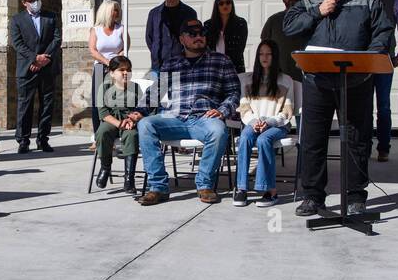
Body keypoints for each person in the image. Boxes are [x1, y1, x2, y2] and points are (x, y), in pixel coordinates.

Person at [282, 0, 393, 218]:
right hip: (317, 81)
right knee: (312, 141)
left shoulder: (368, 1)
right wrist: (318, 12)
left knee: (357, 140)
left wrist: (366, 58)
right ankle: (312, 197)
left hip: (355, 82)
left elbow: (384, 34)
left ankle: (355, 197)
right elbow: (289, 27)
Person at [135, 18, 240, 206]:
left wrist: (222, 110)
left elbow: (233, 93)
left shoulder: (221, 60)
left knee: (218, 131)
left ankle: (205, 184)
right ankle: (158, 187)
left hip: (204, 118)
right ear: (182, 39)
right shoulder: (171, 63)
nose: (198, 37)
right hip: (174, 118)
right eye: (192, 34)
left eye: (201, 33)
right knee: (145, 124)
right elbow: (155, 92)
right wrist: (139, 112)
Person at [232, 41, 296, 208]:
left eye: (268, 54)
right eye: (261, 54)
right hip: (253, 123)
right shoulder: (247, 80)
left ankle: (269, 191)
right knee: (245, 137)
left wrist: (268, 122)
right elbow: (244, 108)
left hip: (276, 125)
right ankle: (241, 188)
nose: (264, 57)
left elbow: (287, 112)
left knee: (263, 140)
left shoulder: (286, 80)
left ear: (275, 57)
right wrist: (254, 122)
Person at [361, 0, 398, 163]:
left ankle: (384, 148)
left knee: (383, 106)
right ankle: (364, 147)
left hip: (383, 58)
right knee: (363, 106)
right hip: (362, 60)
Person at [10, 0, 61, 153]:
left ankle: (43, 139)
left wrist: (45, 58)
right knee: (25, 105)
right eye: (32, 0)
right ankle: (23, 140)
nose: (36, 2)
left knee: (47, 105)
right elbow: (18, 44)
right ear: (24, 2)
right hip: (27, 69)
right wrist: (34, 58)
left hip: (47, 67)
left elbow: (56, 39)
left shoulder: (51, 17)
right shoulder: (17, 20)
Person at [93, 55, 149, 194]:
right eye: (121, 70)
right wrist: (120, 124)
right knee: (102, 133)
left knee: (132, 135)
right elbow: (103, 113)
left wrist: (133, 119)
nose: (126, 73)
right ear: (112, 73)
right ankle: (105, 167)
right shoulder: (104, 87)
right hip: (111, 120)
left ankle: (129, 179)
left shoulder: (135, 88)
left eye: (128, 70)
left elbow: (140, 108)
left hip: (129, 121)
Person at [87, 0, 127, 133]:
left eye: (117, 10)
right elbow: (93, 50)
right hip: (100, 68)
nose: (116, 12)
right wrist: (107, 62)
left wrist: (116, 61)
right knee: (97, 102)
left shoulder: (121, 29)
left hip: (117, 69)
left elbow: (126, 47)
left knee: (115, 100)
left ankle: (115, 133)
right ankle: (97, 134)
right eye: (113, 10)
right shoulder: (96, 30)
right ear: (105, 12)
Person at [144, 0, 196, 78]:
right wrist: (156, 51)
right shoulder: (154, 13)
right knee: (158, 92)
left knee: (177, 93)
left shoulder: (189, 13)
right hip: (159, 64)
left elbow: (193, 36)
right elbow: (149, 37)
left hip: (181, 63)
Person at [260, 0, 309, 81]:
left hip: (303, 73)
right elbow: (264, 46)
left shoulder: (308, 18)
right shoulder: (273, 20)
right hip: (278, 73)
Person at [203, 0, 248, 73]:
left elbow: (240, 48)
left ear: (232, 4)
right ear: (217, 6)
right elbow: (205, 48)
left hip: (234, 66)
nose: (225, 6)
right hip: (213, 67)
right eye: (221, 3)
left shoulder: (240, 23)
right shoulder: (208, 25)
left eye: (228, 2)